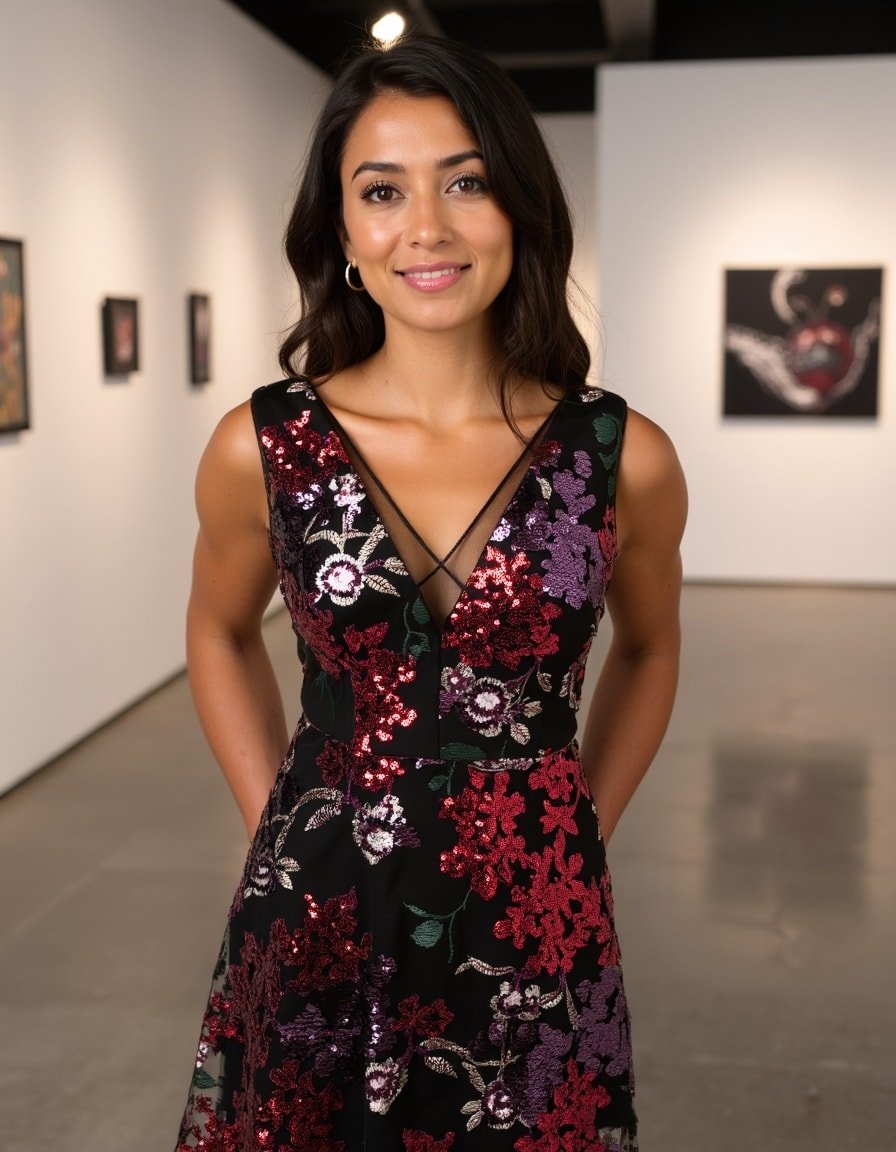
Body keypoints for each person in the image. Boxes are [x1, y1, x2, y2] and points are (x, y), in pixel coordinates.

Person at [175, 33, 686, 1152]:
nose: (427, 226)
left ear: (519, 208)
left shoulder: (617, 455)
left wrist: (578, 821)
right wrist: (279, 814)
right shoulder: (265, 446)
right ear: (343, 232)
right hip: (312, 906)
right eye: (381, 190)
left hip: (533, 917)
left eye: (465, 180)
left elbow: (649, 649)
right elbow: (216, 632)